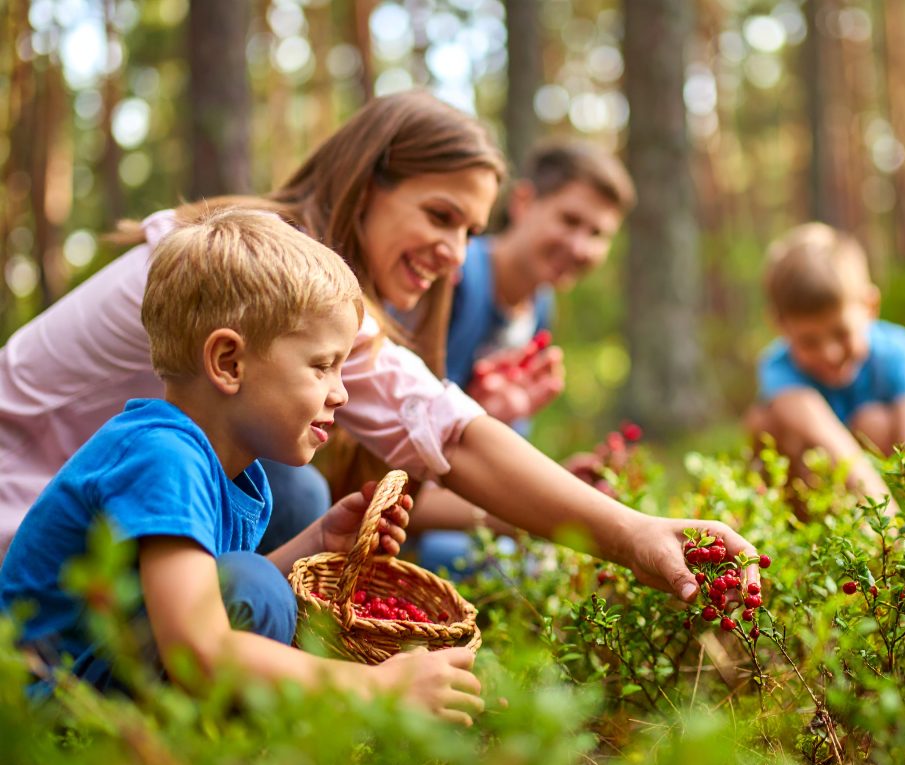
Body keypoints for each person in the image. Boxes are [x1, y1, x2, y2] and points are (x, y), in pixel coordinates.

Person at [0, 90, 759, 612]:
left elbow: (437, 428)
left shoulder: (297, 287)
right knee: (293, 492)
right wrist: (630, 534)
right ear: (366, 188)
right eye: (440, 214)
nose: (457, 255)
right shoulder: (266, 275)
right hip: (26, 535)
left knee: (297, 495)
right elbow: (451, 432)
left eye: (469, 229)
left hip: (103, 537)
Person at [0, 210, 484, 725]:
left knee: (257, 584)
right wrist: (375, 687)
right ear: (229, 362)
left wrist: (318, 541)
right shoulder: (162, 458)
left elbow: (207, 598)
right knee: (256, 585)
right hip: (42, 706)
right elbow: (198, 644)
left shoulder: (226, 469)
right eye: (322, 366)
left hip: (94, 676)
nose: (340, 393)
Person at [407, 140, 636, 571]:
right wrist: (531, 512)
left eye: (598, 234)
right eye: (569, 220)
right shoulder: (452, 279)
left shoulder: (540, 308)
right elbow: (385, 480)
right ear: (524, 202)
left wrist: (556, 487)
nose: (580, 247)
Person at [745, 222, 905, 509]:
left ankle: (886, 529)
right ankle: (803, 534)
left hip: (880, 484)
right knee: (764, 424)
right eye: (809, 342)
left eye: (841, 333)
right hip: (828, 482)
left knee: (874, 422)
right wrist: (889, 524)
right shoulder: (778, 368)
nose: (830, 353)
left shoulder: (896, 350)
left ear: (870, 307)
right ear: (780, 326)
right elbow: (836, 449)